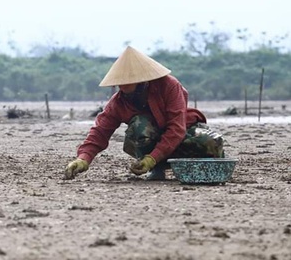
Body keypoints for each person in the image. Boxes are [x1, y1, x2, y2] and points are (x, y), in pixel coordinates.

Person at [64, 46, 224, 181]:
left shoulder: (170, 86)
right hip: (151, 143)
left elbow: (176, 129)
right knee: (139, 126)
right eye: (121, 86)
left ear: (143, 81)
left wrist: (152, 158)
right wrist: (83, 159)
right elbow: (100, 132)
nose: (124, 90)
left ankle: (188, 165)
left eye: (129, 85)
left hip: (181, 133)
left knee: (211, 142)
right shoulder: (119, 101)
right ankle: (157, 168)